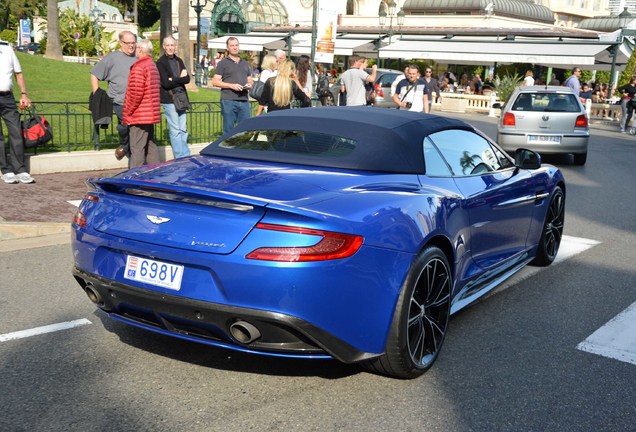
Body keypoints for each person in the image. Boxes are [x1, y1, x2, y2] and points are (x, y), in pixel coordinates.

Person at [90, 30, 137, 160]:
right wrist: (97, 95)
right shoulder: (112, 57)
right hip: (120, 101)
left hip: (137, 101)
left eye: (133, 43)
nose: (131, 46)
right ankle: (127, 149)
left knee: (136, 129)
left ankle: (127, 149)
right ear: (121, 43)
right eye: (128, 43)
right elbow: (95, 74)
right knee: (125, 127)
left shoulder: (138, 56)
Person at [122, 39, 161, 168]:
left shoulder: (139, 66)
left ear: (140, 50)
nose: (134, 48)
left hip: (140, 114)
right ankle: (155, 175)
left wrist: (128, 111)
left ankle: (134, 180)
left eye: (136, 47)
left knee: (137, 147)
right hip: (150, 113)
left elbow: (135, 93)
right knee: (150, 146)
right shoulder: (152, 65)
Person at [0, 43, 34, 184]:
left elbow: (18, 73)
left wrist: (24, 94)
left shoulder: (7, 50)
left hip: (7, 97)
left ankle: (20, 169)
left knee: (16, 132)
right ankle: (6, 170)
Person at [156, 35, 191, 159]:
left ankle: (186, 156)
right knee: (175, 130)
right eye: (168, 45)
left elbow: (187, 79)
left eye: (173, 45)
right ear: (164, 46)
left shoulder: (179, 61)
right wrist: (180, 78)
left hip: (181, 97)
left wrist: (174, 79)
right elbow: (165, 83)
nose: (171, 48)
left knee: (183, 129)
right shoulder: (161, 63)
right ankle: (180, 156)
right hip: (169, 99)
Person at [212, 37, 253, 135]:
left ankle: (241, 149)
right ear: (227, 48)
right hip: (228, 100)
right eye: (232, 45)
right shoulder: (223, 63)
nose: (235, 47)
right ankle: (227, 149)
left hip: (244, 100)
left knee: (245, 129)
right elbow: (215, 81)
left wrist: (250, 84)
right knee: (229, 130)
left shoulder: (244, 63)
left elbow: (249, 78)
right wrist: (231, 86)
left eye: (236, 45)